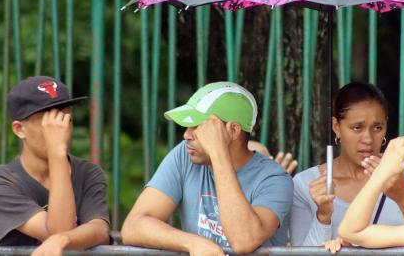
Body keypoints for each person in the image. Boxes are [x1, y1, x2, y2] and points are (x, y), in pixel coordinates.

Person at [121, 82, 293, 254]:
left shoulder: (275, 179)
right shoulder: (184, 155)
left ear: (233, 130)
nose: (186, 134)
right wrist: (193, 243)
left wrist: (218, 152)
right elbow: (133, 226)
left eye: (199, 126)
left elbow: (244, 241)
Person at [0, 76, 110, 255]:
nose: (59, 130)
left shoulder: (88, 173)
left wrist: (63, 240)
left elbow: (100, 230)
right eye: (47, 122)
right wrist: (57, 153)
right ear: (19, 129)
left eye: (64, 119)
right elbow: (58, 229)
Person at [290, 82, 404, 246]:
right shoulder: (305, 184)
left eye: (377, 127)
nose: (368, 139)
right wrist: (323, 216)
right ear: (336, 127)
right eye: (357, 128)